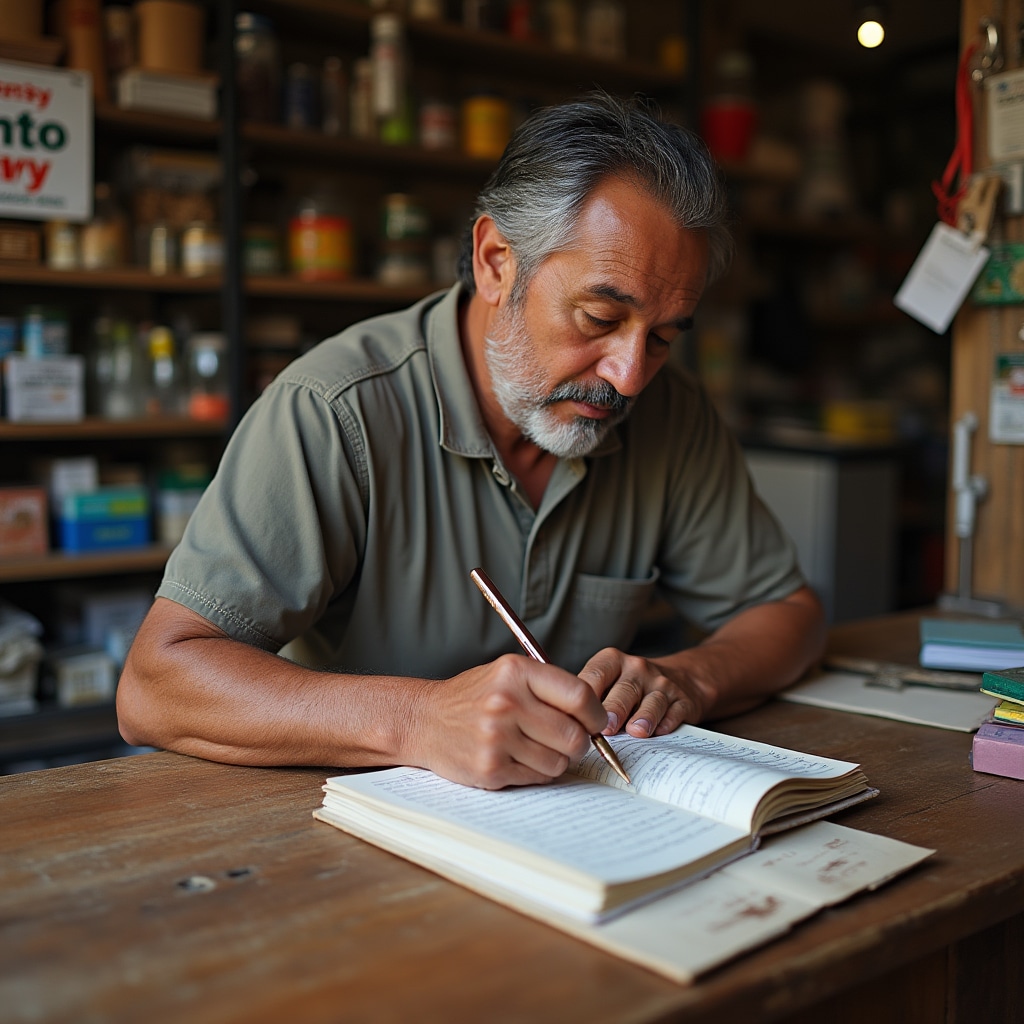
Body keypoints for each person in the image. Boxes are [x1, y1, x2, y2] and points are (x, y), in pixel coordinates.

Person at [117, 93, 825, 790]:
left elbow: (788, 615)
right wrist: (418, 720)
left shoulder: (671, 414)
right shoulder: (336, 409)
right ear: (495, 261)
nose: (630, 376)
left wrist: (691, 677)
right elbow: (156, 685)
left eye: (665, 336)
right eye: (599, 317)